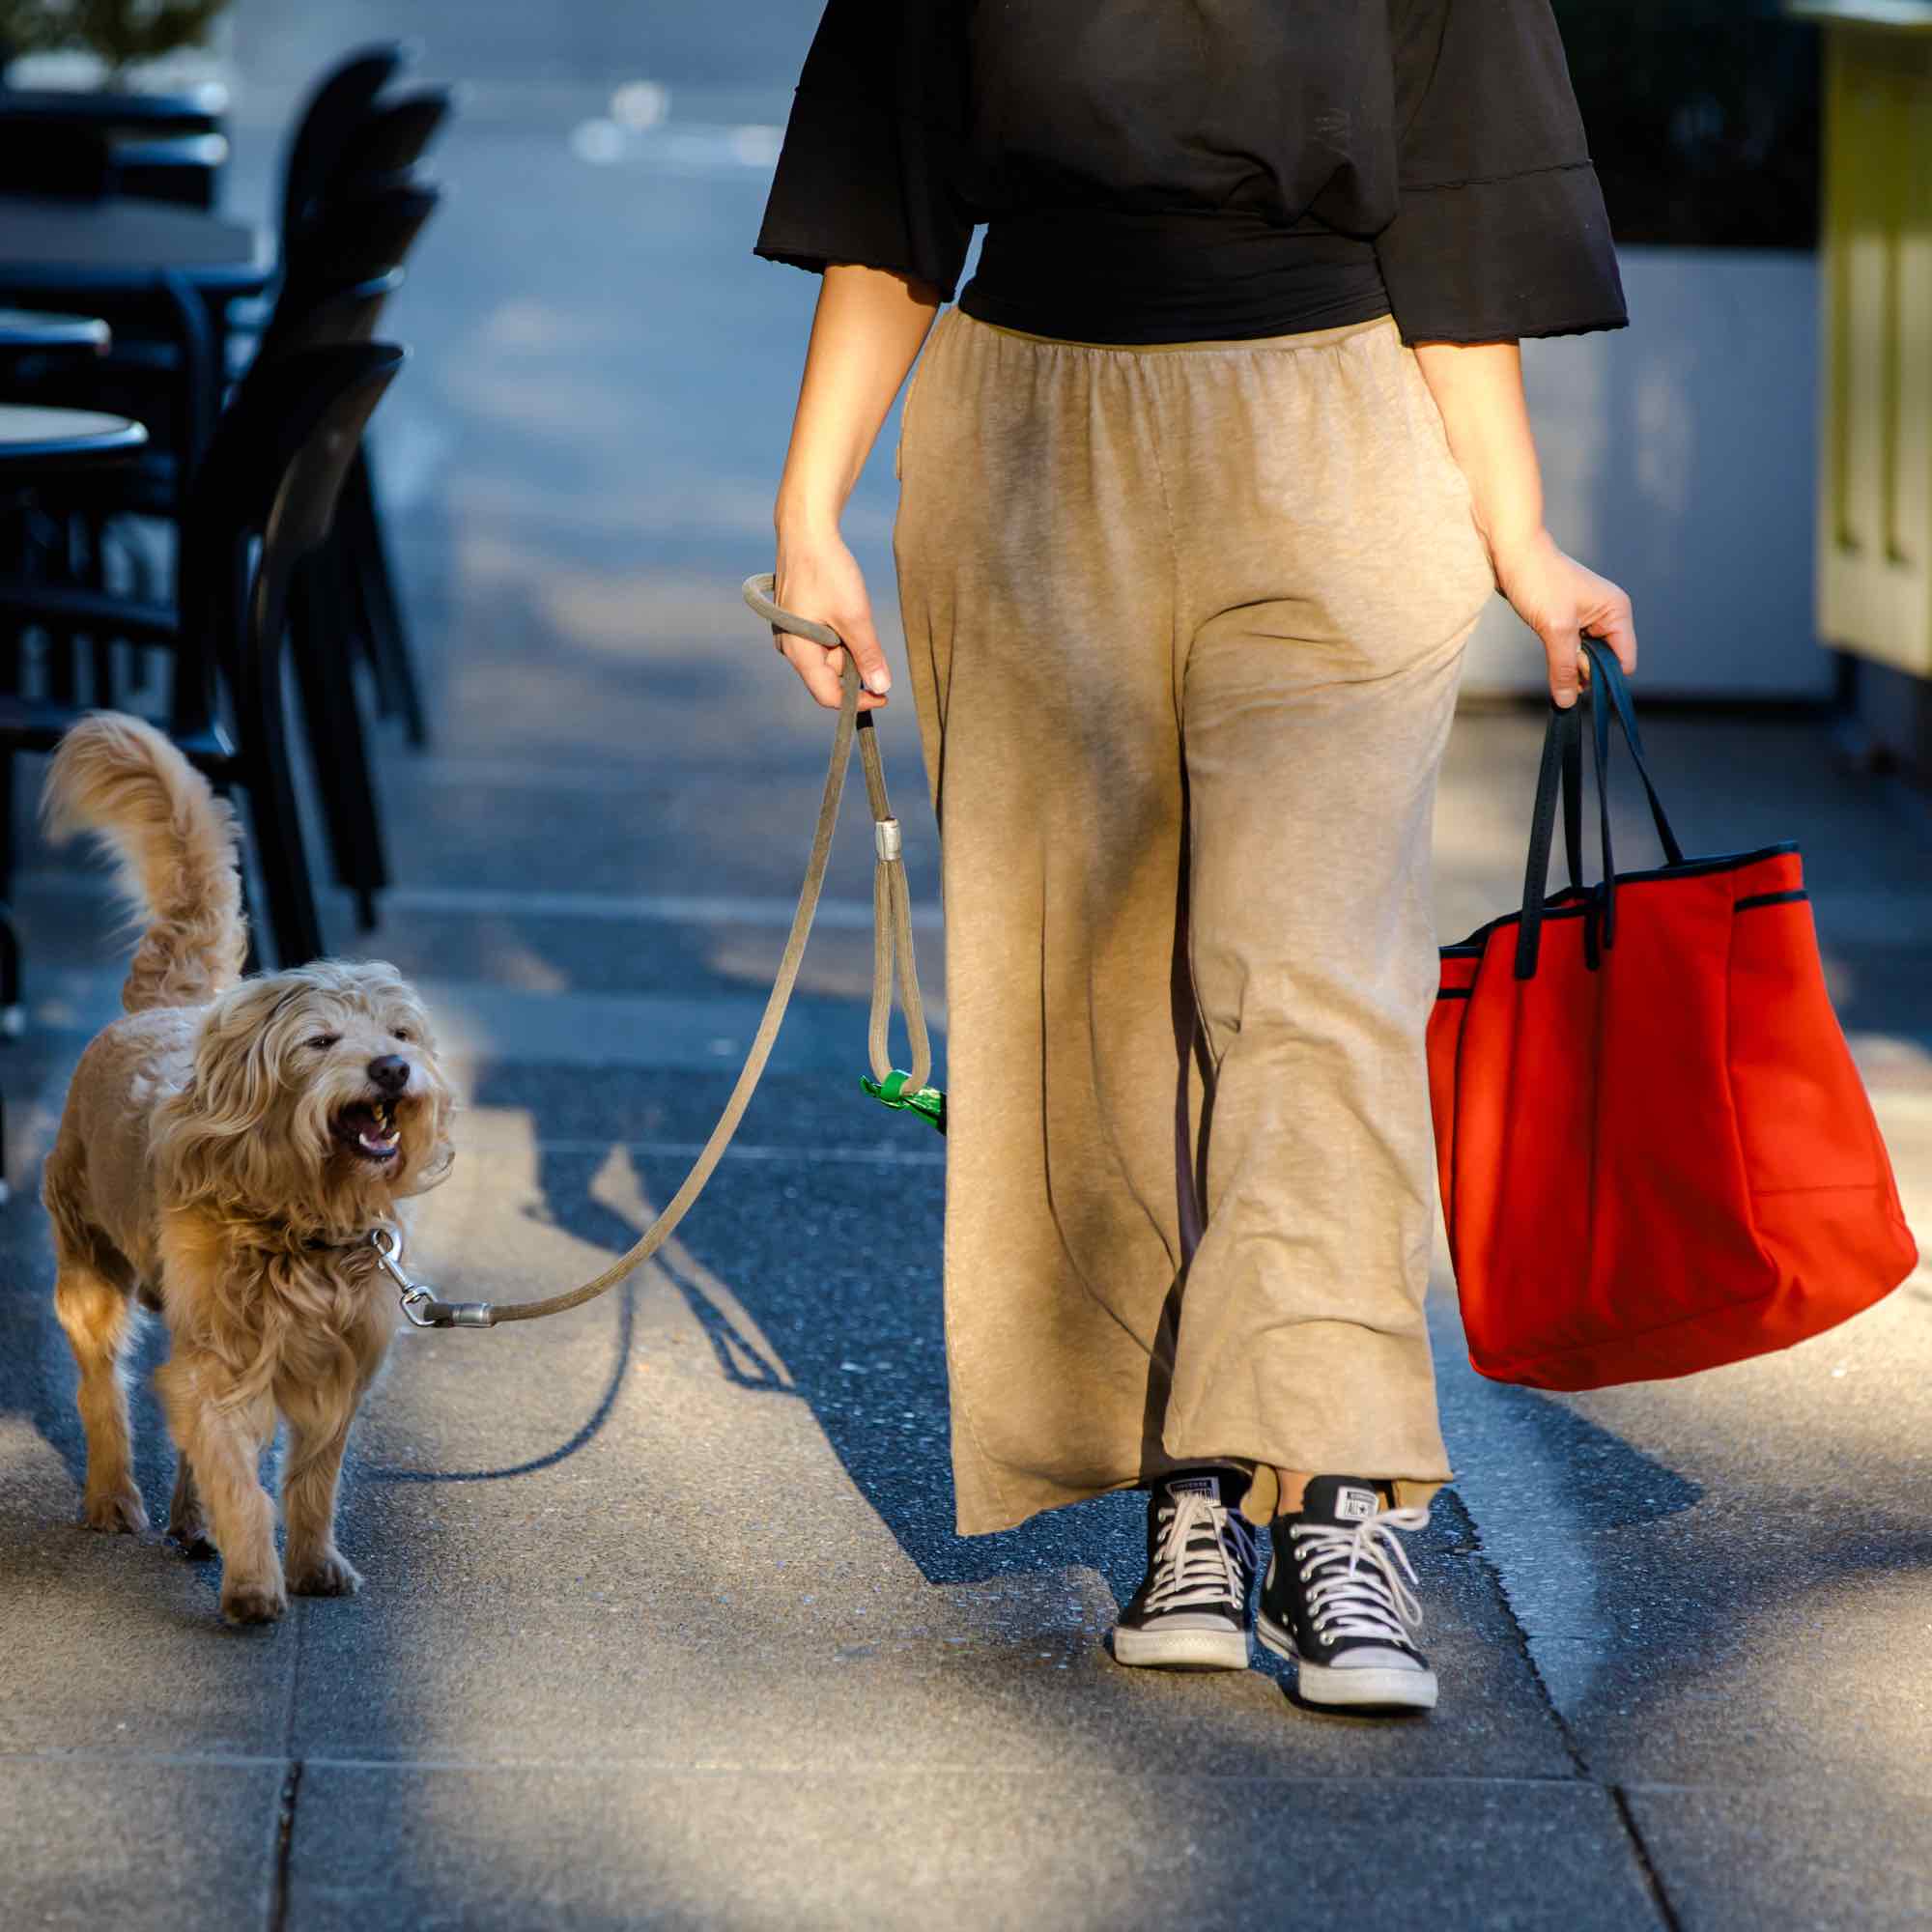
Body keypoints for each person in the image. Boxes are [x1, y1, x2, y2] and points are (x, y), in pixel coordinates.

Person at [753, 0, 1636, 1715]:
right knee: (1086, 1001)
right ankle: (1192, 1494)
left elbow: (1462, 203)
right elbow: (894, 186)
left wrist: (1518, 533)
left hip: (1334, 439)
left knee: (1311, 980)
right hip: (1028, 453)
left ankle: (1340, 1487)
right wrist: (809, 512)